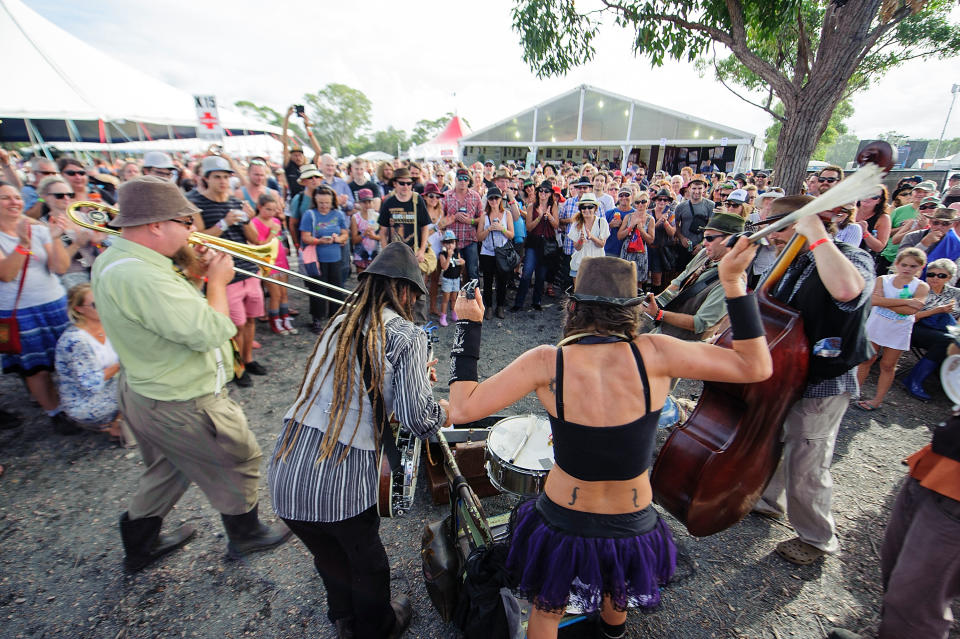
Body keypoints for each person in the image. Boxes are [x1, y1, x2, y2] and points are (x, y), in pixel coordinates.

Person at [447, 243, 772, 639]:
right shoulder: (656, 353)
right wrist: (735, 284)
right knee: (618, 583)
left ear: (573, 308)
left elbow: (462, 409)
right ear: (633, 310)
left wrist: (468, 324)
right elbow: (755, 366)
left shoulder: (548, 362)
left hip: (564, 515)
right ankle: (611, 634)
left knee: (548, 608)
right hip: (630, 514)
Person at [92, 176, 291, 571]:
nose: (192, 230)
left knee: (169, 468)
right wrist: (218, 282)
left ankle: (140, 544)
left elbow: (170, 316)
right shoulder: (142, 274)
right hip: (181, 398)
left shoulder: (119, 259)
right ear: (155, 225)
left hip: (151, 391)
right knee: (239, 458)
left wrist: (197, 278)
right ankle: (246, 535)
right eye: (185, 222)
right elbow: (211, 331)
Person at [268, 242, 449, 639]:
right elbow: (420, 420)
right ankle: (378, 627)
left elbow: (351, 387)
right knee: (368, 564)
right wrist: (443, 408)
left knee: (328, 553)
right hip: (340, 477)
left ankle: (343, 617)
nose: (414, 305)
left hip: (286, 471)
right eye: (415, 297)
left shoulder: (340, 321)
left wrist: (410, 381)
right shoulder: (407, 335)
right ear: (403, 290)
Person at [752, 195, 874, 565]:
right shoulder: (790, 260)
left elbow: (847, 291)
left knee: (808, 460)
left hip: (824, 378)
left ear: (810, 223)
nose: (772, 237)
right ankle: (769, 501)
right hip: (787, 374)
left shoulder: (851, 256)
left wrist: (816, 233)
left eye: (781, 227)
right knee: (777, 440)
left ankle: (817, 538)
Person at [0, 183, 77, 435]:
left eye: (16, 197)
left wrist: (54, 238)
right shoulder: (17, 234)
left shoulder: (37, 228)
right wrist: (23, 242)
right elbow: (7, 274)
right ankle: (55, 413)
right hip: (17, 311)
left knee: (69, 358)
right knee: (35, 368)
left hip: (54, 302)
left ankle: (77, 404)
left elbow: (60, 268)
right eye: (5, 198)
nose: (14, 202)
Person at [188, 156, 265, 387]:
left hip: (248, 269)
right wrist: (224, 223)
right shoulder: (196, 204)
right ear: (206, 179)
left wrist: (249, 220)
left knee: (251, 320)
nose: (223, 181)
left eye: (226, 177)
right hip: (225, 274)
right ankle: (237, 366)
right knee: (235, 325)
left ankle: (248, 359)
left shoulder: (235, 202)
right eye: (217, 177)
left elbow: (255, 239)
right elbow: (197, 238)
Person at [643, 212, 744, 341]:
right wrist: (653, 302)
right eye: (704, 237)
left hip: (687, 346)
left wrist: (659, 314)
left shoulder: (731, 281)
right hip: (663, 332)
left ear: (731, 240)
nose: (704, 243)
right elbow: (679, 282)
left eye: (710, 238)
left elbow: (700, 323)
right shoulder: (705, 254)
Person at [54, 283, 132, 445]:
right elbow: (90, 383)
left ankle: (124, 421)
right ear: (79, 309)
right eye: (96, 304)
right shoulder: (76, 341)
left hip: (108, 386)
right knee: (141, 385)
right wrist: (122, 363)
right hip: (86, 401)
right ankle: (116, 427)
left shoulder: (109, 325)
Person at [855, 248, 928, 410]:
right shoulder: (883, 279)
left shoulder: (921, 287)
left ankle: (877, 400)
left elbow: (911, 311)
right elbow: (872, 300)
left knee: (888, 365)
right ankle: (854, 392)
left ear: (921, 267)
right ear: (896, 264)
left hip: (898, 330)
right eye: (904, 264)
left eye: (913, 266)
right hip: (876, 325)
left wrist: (884, 301)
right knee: (866, 359)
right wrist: (907, 302)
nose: (907, 269)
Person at [900, 258, 960, 400]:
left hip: (946, 330)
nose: (934, 278)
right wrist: (936, 311)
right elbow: (908, 317)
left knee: (953, 339)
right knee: (948, 341)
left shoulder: (956, 293)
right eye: (931, 274)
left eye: (941, 275)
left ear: (949, 278)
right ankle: (913, 380)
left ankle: (949, 382)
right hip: (914, 327)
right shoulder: (919, 289)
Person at [378, 168, 433, 323]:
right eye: (402, 183)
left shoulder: (417, 201)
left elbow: (424, 228)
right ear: (395, 183)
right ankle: (398, 323)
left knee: (418, 292)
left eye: (409, 183)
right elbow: (383, 231)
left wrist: (422, 250)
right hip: (395, 255)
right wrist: (385, 252)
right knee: (394, 291)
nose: (406, 186)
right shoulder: (388, 202)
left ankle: (420, 326)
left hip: (414, 253)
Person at [246, 193, 296, 336]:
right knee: (275, 295)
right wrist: (273, 232)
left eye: (273, 210)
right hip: (268, 263)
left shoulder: (276, 220)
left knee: (284, 293)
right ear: (259, 207)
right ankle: (275, 322)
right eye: (267, 209)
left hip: (281, 260)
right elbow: (260, 244)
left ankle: (285, 319)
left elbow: (279, 239)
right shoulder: (254, 223)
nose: (271, 213)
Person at [300, 186, 349, 333]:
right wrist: (319, 241)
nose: (324, 206)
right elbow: (305, 236)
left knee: (336, 288)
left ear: (332, 201)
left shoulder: (338, 214)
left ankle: (337, 317)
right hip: (317, 258)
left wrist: (338, 238)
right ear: (315, 200)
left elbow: (345, 234)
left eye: (327, 202)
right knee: (317, 288)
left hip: (335, 257)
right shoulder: (310, 214)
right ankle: (317, 319)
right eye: (321, 202)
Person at [512, 180, 560, 312]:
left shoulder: (553, 205)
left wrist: (549, 216)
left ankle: (536, 301)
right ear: (538, 192)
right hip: (534, 242)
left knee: (541, 274)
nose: (543, 193)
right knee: (527, 273)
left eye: (546, 191)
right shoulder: (531, 207)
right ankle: (519, 302)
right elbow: (529, 227)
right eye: (541, 190)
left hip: (547, 243)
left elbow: (556, 225)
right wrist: (539, 217)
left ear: (550, 194)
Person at [879, 181, 938, 274]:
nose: (927, 210)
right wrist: (915, 229)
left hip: (926, 265)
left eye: (932, 206)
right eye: (923, 207)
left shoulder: (942, 222)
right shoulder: (902, 213)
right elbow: (894, 239)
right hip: (894, 257)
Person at [438, 167, 482, 283]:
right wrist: (453, 217)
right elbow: (439, 220)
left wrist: (471, 221)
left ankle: (473, 299)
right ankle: (455, 300)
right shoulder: (445, 196)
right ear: (455, 180)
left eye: (465, 179)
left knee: (472, 273)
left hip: (470, 240)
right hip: (452, 243)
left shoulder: (475, 196)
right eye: (460, 178)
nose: (463, 181)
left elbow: (482, 219)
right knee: (453, 273)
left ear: (468, 181)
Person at [477, 186, 515, 319]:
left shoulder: (507, 214)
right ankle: (488, 307)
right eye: (491, 198)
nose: (494, 201)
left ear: (501, 199)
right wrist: (489, 230)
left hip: (502, 253)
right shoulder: (484, 216)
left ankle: (500, 306)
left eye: (496, 198)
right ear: (487, 200)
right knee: (487, 281)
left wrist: (501, 229)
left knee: (502, 281)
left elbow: (511, 235)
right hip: (487, 252)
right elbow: (479, 237)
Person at [281, 106, 322, 199]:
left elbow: (318, 151)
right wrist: (287, 118)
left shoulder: (309, 167)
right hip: (296, 202)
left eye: (300, 155)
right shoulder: (289, 166)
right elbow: (284, 143)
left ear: (303, 156)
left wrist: (307, 128)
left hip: (312, 201)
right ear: (291, 157)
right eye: (295, 155)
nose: (297, 157)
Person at [567, 192, 609, 281]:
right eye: (583, 207)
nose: (587, 210)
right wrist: (581, 241)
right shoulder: (576, 224)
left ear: (595, 208)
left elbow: (602, 244)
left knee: (596, 292)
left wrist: (592, 237)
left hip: (597, 264)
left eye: (590, 207)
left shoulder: (602, 222)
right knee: (579, 293)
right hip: (579, 263)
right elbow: (577, 248)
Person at [673, 177, 715, 268]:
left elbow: (711, 227)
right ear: (689, 189)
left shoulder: (710, 205)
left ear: (704, 189)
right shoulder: (680, 207)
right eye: (694, 188)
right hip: (684, 247)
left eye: (700, 188)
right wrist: (682, 238)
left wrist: (702, 244)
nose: (697, 191)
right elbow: (676, 225)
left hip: (702, 248)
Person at [646, 188, 677, 292]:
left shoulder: (671, 215)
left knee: (657, 279)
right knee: (643, 277)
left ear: (669, 202)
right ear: (655, 200)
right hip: (647, 249)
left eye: (665, 200)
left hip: (660, 250)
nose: (662, 202)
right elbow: (644, 231)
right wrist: (658, 222)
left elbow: (672, 233)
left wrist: (665, 222)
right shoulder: (649, 213)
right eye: (660, 199)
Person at [350, 188, 381, 275]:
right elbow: (354, 240)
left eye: (369, 202)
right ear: (359, 203)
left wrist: (374, 237)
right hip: (361, 253)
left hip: (375, 253)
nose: (367, 205)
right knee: (361, 278)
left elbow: (383, 236)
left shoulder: (377, 216)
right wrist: (364, 234)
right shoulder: (355, 217)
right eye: (364, 202)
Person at [854, 186, 891, 259]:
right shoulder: (849, 211)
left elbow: (879, 247)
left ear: (879, 200)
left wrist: (865, 232)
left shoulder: (883, 218)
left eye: (873, 197)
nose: (867, 198)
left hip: (863, 258)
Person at [437, 230, 461, 326]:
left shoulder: (457, 252)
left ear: (455, 243)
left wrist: (461, 261)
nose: (450, 245)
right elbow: (444, 267)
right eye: (447, 243)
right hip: (447, 279)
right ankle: (443, 316)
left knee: (454, 298)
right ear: (443, 244)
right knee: (445, 299)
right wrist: (449, 256)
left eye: (452, 242)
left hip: (456, 279)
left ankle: (454, 313)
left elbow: (460, 262)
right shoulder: (442, 254)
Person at [605, 187, 634, 259]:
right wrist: (610, 226)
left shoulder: (635, 213)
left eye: (627, 195)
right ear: (618, 198)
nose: (624, 197)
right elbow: (600, 233)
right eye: (621, 195)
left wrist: (624, 226)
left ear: (631, 197)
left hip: (630, 252)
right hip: (611, 251)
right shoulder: (609, 213)